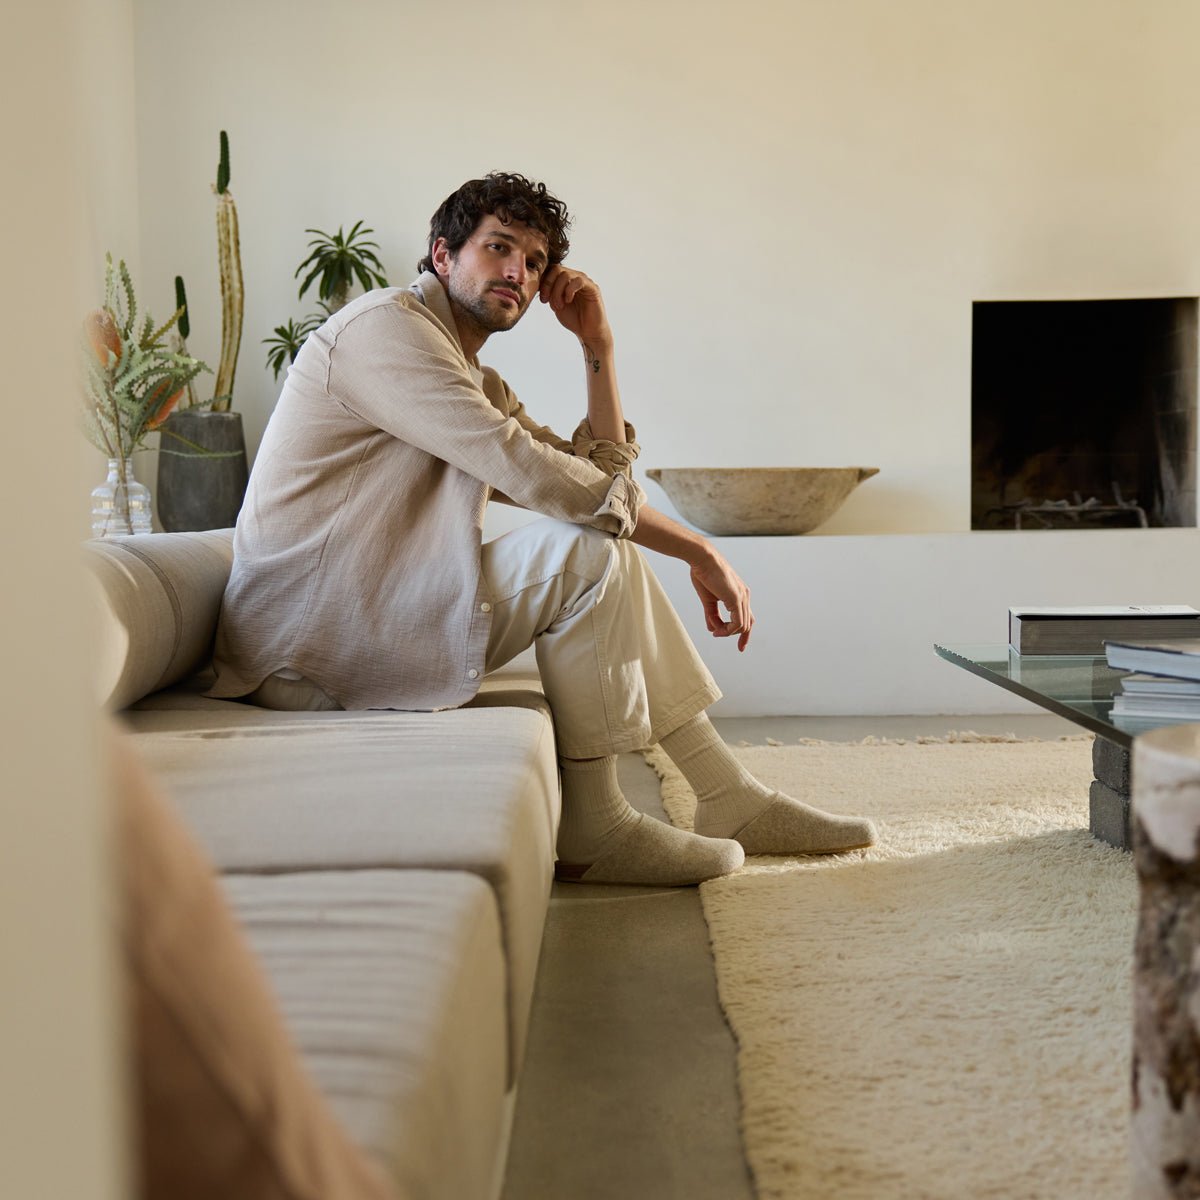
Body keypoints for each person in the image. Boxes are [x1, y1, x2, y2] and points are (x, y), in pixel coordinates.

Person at [211, 172, 875, 885]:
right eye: (498, 248)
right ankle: (603, 827)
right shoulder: (385, 332)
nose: (517, 273)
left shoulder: (472, 377)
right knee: (586, 550)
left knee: (594, 548)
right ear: (442, 255)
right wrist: (697, 546)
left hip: (387, 609)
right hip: (310, 646)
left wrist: (598, 345)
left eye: (533, 262)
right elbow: (536, 475)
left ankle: (724, 794)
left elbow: (593, 473)